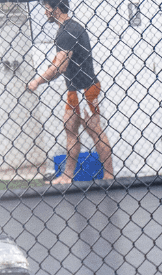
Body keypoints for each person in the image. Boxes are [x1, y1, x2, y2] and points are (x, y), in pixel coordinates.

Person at [25, 0, 115, 183]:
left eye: (47, 9)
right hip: (76, 90)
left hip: (85, 89)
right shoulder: (66, 29)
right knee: (70, 128)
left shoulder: (67, 31)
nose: (44, 13)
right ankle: (67, 176)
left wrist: (36, 81)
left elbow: (60, 67)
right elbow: (58, 63)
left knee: (95, 131)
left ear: (56, 10)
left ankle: (109, 175)